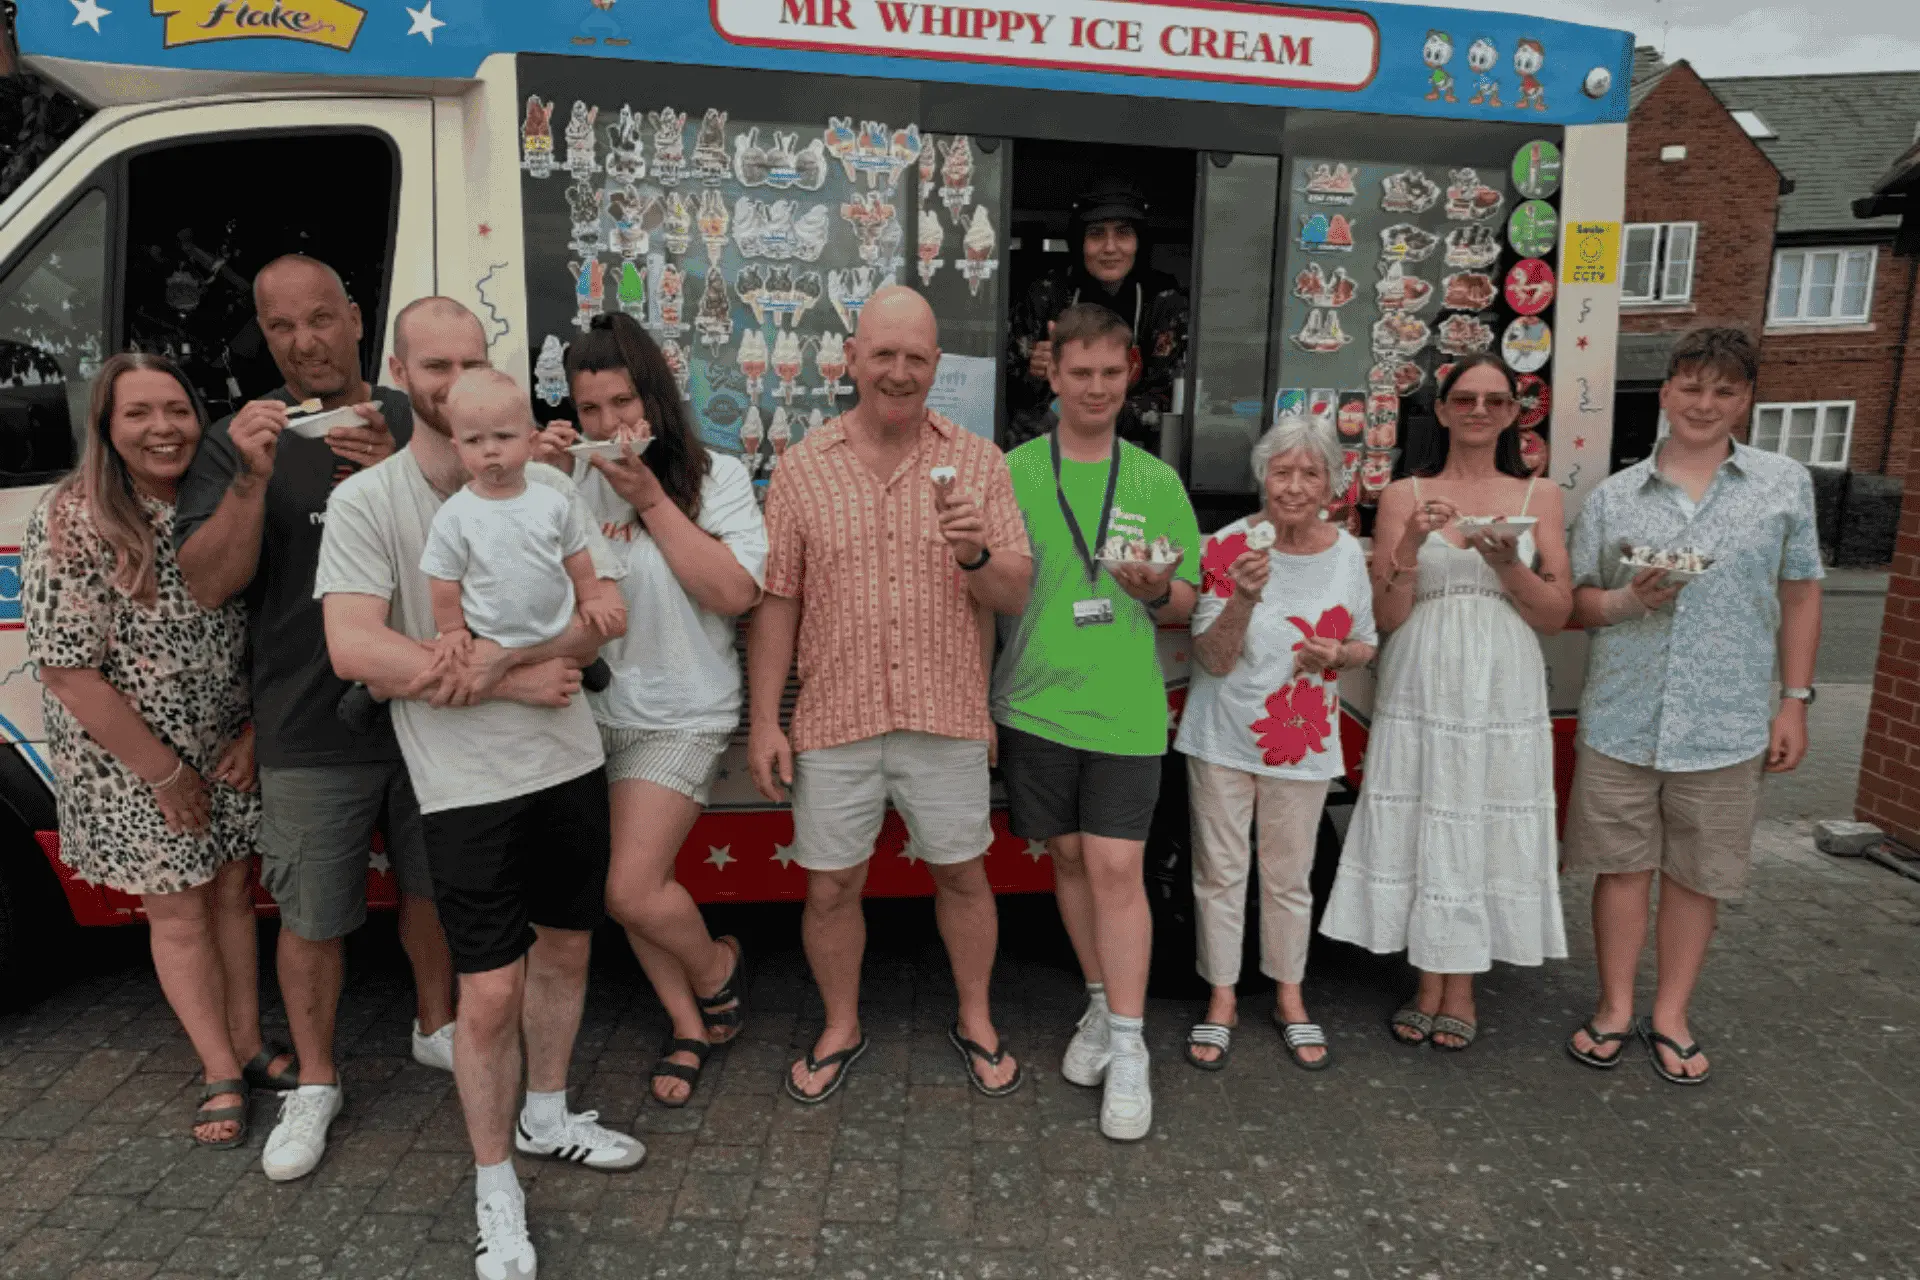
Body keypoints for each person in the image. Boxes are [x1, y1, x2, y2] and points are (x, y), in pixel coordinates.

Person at [317, 355, 644, 1280]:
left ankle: (548, 1114)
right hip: (467, 789)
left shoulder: (551, 491)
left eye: (473, 368)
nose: (491, 448)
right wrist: (519, 669)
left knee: (569, 948)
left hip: (569, 761)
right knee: (490, 991)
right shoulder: (381, 504)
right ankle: (494, 1185)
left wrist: (504, 666)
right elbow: (357, 650)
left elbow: (597, 618)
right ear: (417, 390)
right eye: (440, 369)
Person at [174, 255, 458, 1182]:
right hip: (302, 716)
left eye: (321, 319)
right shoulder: (238, 437)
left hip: (426, 702)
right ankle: (317, 1084)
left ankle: (438, 1028)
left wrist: (403, 478)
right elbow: (210, 582)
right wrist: (254, 480)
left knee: (434, 885)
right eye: (283, 327)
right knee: (312, 912)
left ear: (354, 316)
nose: (306, 342)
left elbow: (481, 550)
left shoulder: (414, 414)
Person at [748, 286, 1033, 1105]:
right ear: (851, 359)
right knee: (830, 885)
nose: (900, 373)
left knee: (964, 876)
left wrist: (978, 553)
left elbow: (1014, 592)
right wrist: (769, 719)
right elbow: (779, 600)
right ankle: (842, 1024)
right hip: (835, 718)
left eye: (916, 358)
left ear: (936, 365)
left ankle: (975, 1017)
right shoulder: (804, 467)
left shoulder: (979, 462)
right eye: (884, 355)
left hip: (945, 713)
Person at [1562, 328, 1822, 1085]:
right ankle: (1613, 1006)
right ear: (1667, 392)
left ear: (1744, 400)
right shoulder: (1615, 496)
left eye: (1725, 391)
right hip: (1622, 711)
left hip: (1728, 718)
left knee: (1698, 873)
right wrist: (1627, 597)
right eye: (1692, 387)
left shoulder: (1781, 484)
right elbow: (1578, 598)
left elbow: (1801, 593)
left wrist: (1796, 700)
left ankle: (1670, 1014)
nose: (1705, 404)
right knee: (1619, 867)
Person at [25, 354, 271, 1149]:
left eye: (177, 409)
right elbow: (67, 671)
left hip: (225, 741)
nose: (163, 428)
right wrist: (164, 775)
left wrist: (251, 734)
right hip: (129, 756)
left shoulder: (218, 492)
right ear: (106, 425)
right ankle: (218, 1070)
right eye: (139, 413)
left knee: (233, 894)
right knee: (178, 911)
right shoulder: (74, 515)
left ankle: (250, 1042)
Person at [532, 313, 764, 1107]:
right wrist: (528, 489)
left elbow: (735, 593)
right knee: (626, 877)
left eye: (623, 404)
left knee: (630, 888)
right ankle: (689, 1023)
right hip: (587, 715)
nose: (607, 426)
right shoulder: (564, 481)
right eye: (589, 410)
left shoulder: (718, 477)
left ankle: (717, 969)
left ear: (656, 399)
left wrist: (654, 500)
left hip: (682, 712)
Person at [1319, 353, 1572, 1051]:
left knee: (1479, 812)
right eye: (1466, 399)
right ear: (1443, 408)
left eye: (1496, 400)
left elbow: (1556, 612)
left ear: (1515, 412)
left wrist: (1506, 563)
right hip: (1424, 662)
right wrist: (1407, 539)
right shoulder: (1405, 491)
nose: (1480, 411)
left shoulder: (1540, 497)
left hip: (1502, 669)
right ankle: (1426, 974)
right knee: (1429, 805)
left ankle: (1460, 985)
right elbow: (1388, 612)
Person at [992, 302, 1201, 1141]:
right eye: (1081, 373)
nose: (1096, 388)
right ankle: (1095, 1005)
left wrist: (1156, 590)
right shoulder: (1010, 473)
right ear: (1052, 373)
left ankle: (1131, 1043)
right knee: (1070, 861)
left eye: (1111, 374)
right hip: (1034, 701)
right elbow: (987, 588)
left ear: (1130, 377)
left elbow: (1190, 601)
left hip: (1125, 708)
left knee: (1118, 868)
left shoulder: (1154, 481)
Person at [1173, 415, 1377, 1073]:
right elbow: (1210, 655)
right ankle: (1223, 996)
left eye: (1308, 473)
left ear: (1331, 485)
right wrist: (1243, 600)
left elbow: (1367, 642)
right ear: (1262, 477)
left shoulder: (1347, 553)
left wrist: (1338, 654)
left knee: (1290, 877)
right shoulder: (1230, 546)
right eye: (1281, 471)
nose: (1292, 486)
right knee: (1219, 872)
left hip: (1305, 736)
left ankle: (1290, 993)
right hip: (1224, 733)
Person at [419, 382, 626, 685]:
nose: (490, 449)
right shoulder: (454, 514)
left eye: (503, 436)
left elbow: (576, 555)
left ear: (531, 442)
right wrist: (452, 630)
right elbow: (443, 580)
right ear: (457, 448)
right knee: (459, 664)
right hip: (487, 629)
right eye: (474, 440)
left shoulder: (552, 500)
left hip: (556, 622)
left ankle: (585, 660)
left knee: (577, 644)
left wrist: (591, 598)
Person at [1006, 179, 1187, 450]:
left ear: (1139, 241)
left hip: (1136, 457)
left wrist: (1085, 414)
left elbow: (1169, 400)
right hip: (1047, 452)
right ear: (1080, 241)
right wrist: (1036, 372)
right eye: (1096, 234)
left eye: (1123, 233)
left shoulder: (1164, 303)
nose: (1110, 247)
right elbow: (1007, 391)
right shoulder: (1046, 295)